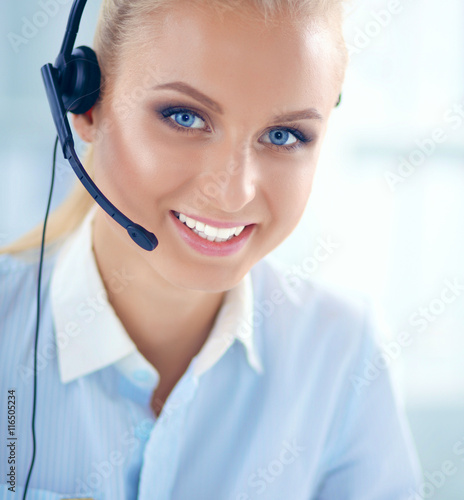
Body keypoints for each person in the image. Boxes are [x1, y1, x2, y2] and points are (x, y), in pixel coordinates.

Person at [0, 0, 422, 498]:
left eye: (284, 135)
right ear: (86, 105)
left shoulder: (344, 355)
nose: (234, 192)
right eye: (184, 117)